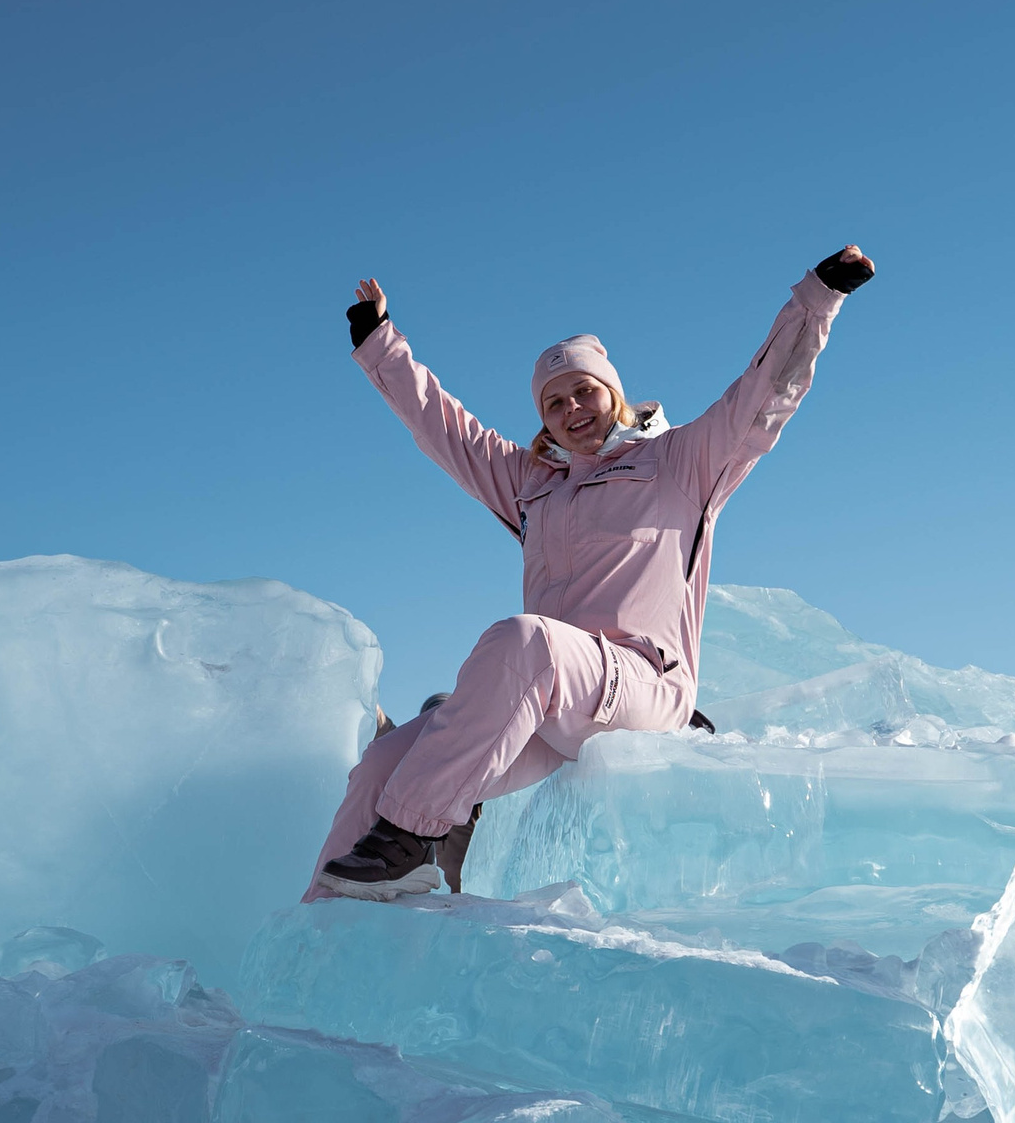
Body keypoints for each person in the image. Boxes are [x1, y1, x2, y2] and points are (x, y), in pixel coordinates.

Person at [308, 245, 877, 901]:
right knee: (383, 762)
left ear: (613, 391)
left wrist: (818, 299)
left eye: (584, 390)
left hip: (642, 683)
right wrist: (380, 343)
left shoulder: (681, 461)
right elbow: (447, 430)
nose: (572, 408)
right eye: (554, 403)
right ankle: (320, 921)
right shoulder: (534, 485)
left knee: (522, 640)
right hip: (553, 702)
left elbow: (765, 394)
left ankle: (408, 839)